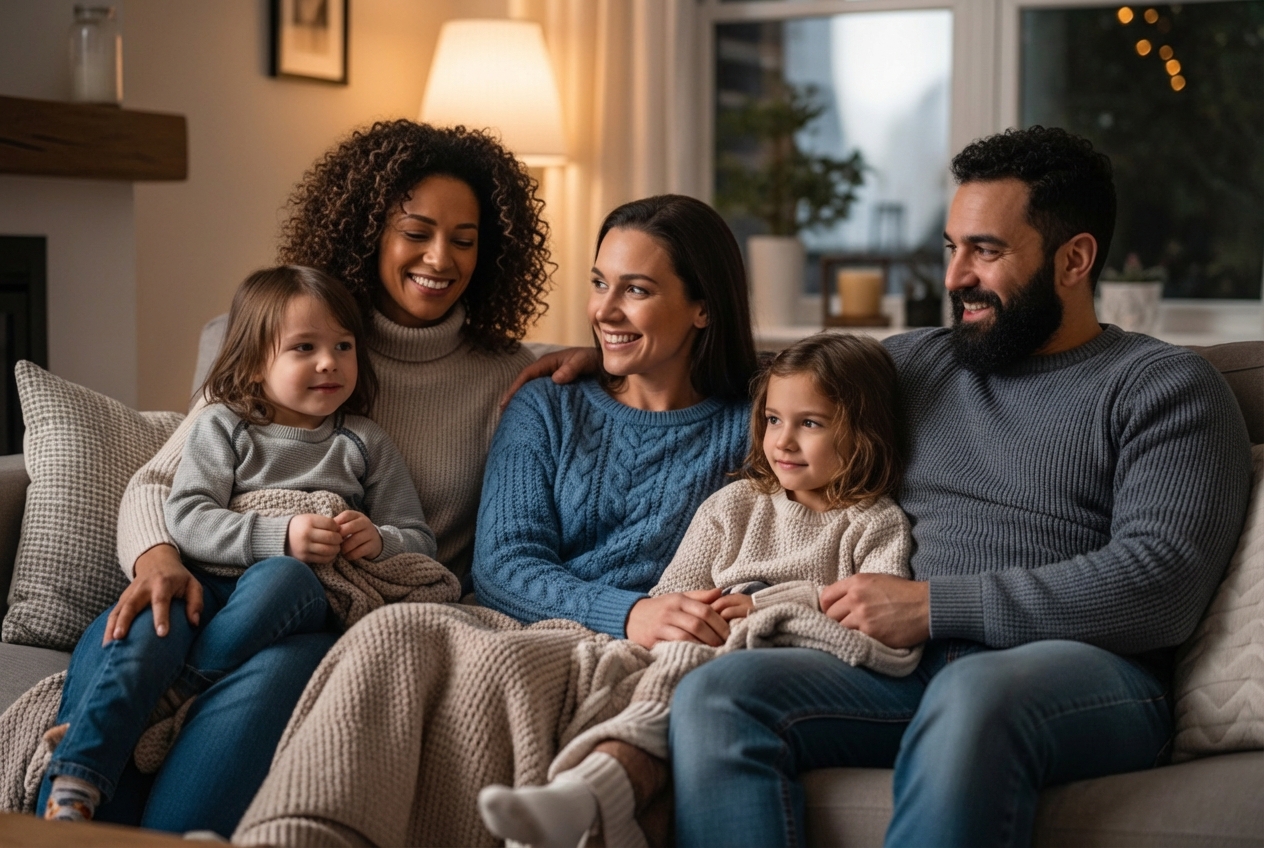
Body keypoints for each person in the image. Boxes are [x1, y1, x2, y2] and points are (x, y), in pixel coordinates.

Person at [669, 125, 1253, 848]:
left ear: (1074, 259)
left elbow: (1159, 586)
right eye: (952, 247)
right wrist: (592, 372)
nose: (954, 277)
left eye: (987, 250)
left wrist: (936, 605)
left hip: (1082, 677)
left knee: (975, 692)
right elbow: (776, 393)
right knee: (715, 696)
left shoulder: (1164, 388)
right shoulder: (910, 366)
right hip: (901, 670)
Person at [41, 120, 578, 836]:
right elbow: (157, 485)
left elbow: (446, 538)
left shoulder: (511, 379)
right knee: (153, 616)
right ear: (368, 231)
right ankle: (75, 798)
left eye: (465, 238)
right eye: (415, 231)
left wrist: (603, 359)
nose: (440, 257)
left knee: (261, 685)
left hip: (340, 614)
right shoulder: (278, 346)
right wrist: (159, 560)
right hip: (211, 583)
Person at [230, 195, 758, 848]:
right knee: (393, 630)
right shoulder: (547, 404)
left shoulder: (761, 424)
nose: (605, 311)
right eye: (599, 284)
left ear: (703, 306)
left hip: (643, 652)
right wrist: (626, 611)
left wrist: (645, 623)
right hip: (531, 616)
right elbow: (504, 563)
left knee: (493, 670)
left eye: (637, 290)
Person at [478, 332, 919, 848]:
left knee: (691, 670)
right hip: (692, 650)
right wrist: (690, 618)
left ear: (862, 433)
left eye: (811, 423)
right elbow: (672, 597)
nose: (782, 441)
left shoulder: (874, 524)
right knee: (632, 669)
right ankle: (593, 806)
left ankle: (592, 794)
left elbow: (874, 637)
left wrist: (767, 608)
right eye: (773, 420)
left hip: (775, 666)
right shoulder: (733, 505)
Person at [40, 264, 437, 822]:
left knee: (286, 576)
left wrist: (377, 538)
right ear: (253, 365)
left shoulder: (364, 442)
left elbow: (418, 540)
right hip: (208, 581)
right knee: (150, 629)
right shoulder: (223, 426)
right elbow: (187, 517)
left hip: (294, 598)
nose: (330, 362)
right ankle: (76, 780)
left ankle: (176, 691)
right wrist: (280, 533)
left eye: (343, 346)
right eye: (304, 347)